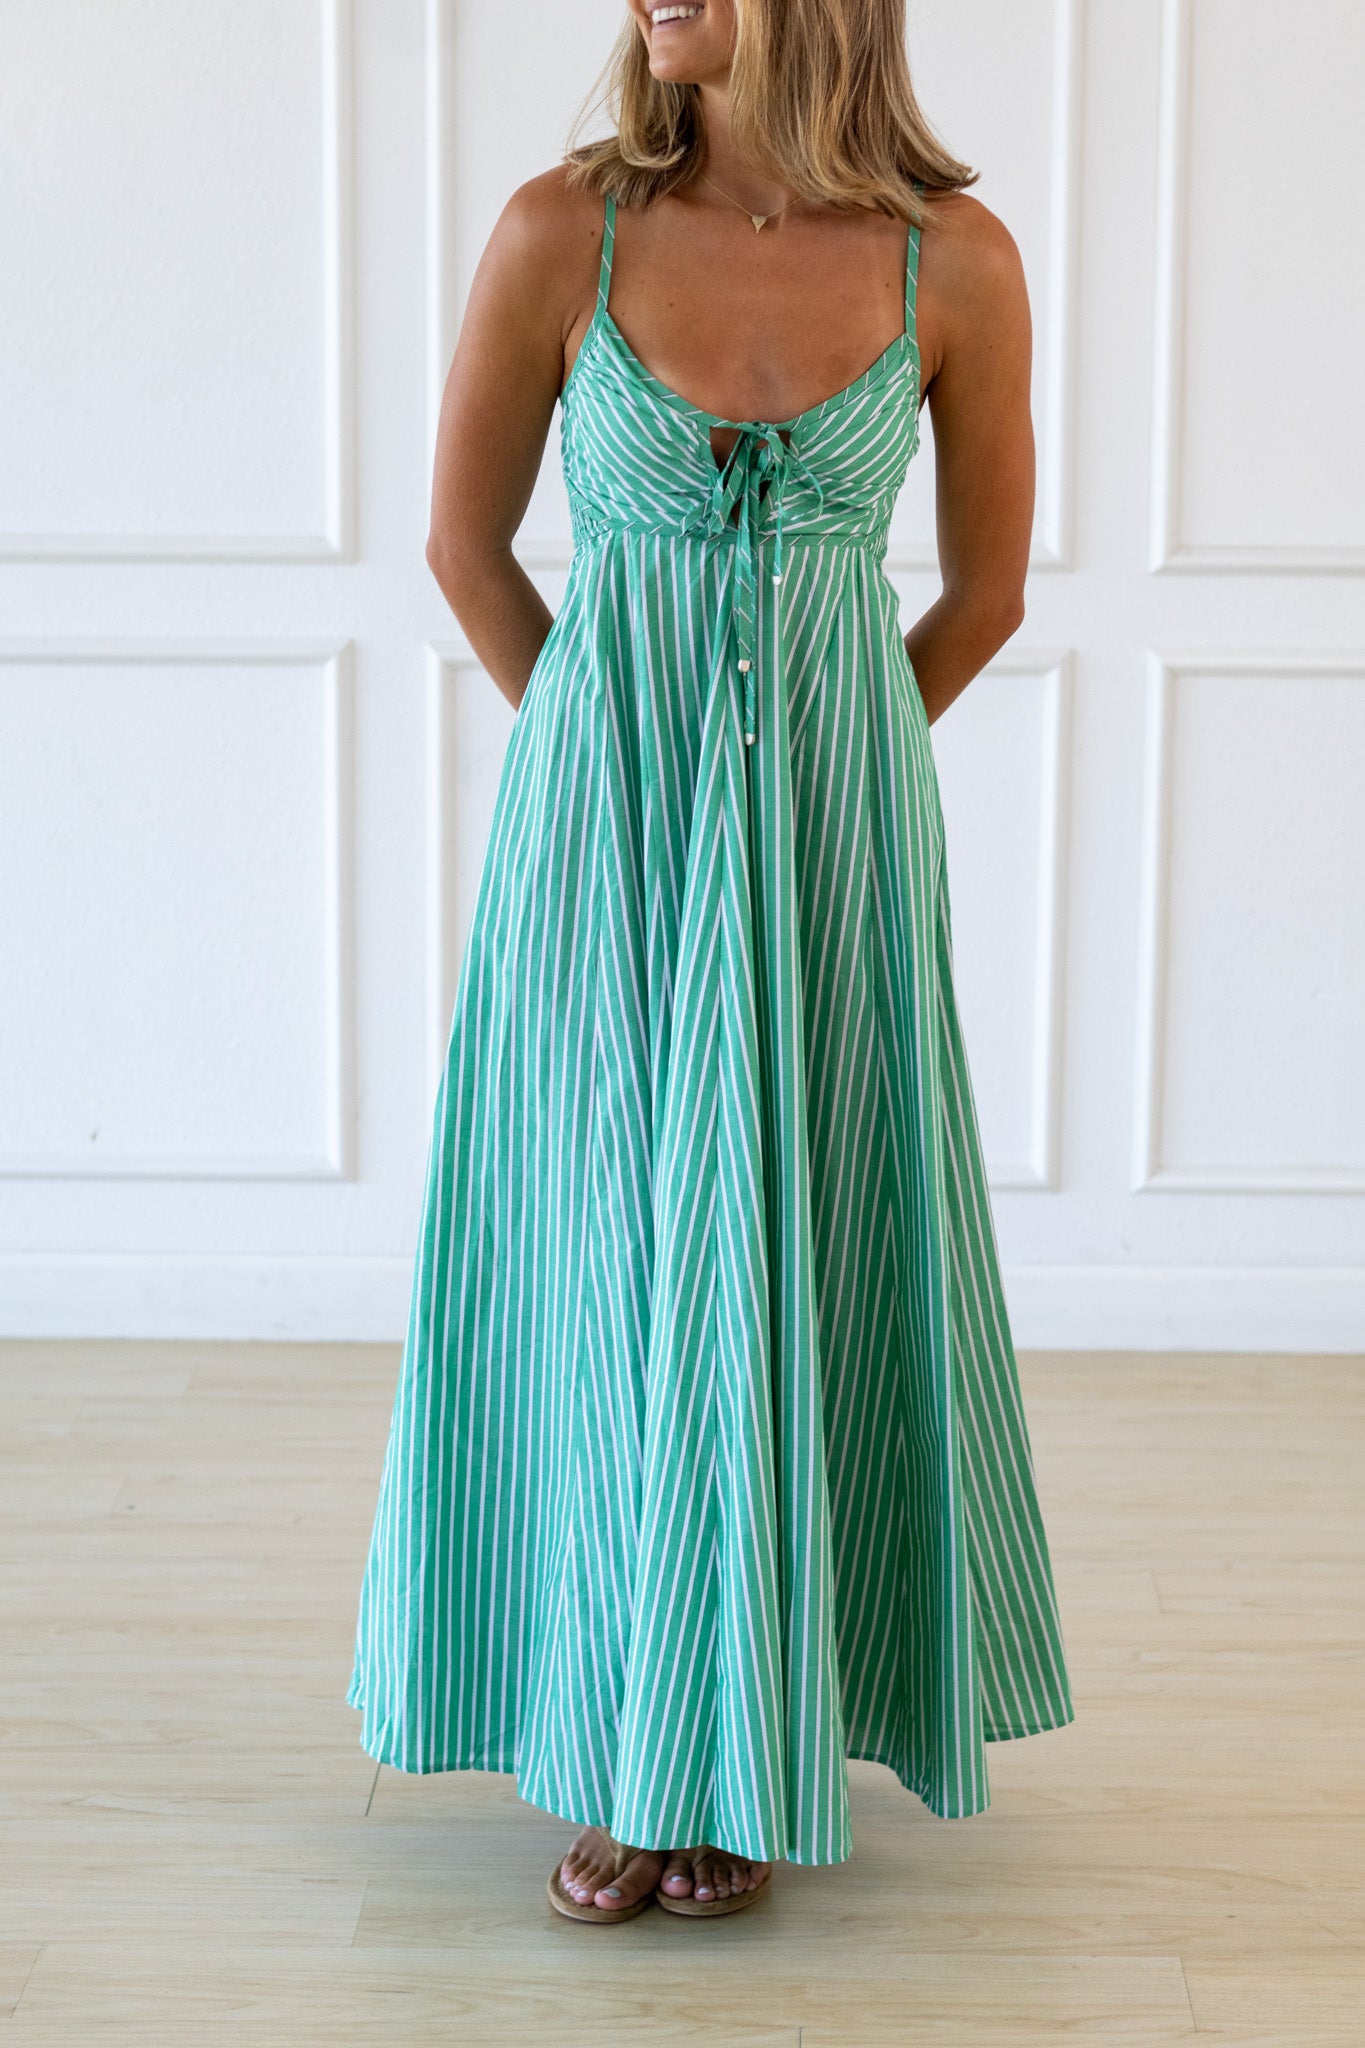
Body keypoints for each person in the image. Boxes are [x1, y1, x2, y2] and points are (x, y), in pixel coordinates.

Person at [347, 0, 1074, 1924]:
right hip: (602, 836)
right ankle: (623, 1742)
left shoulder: (953, 260)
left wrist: (824, 766)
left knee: (801, 1236)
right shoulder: (559, 231)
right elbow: (463, 547)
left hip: (833, 845)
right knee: (610, 1254)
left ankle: (740, 1734)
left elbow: (987, 593)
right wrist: (605, 756)